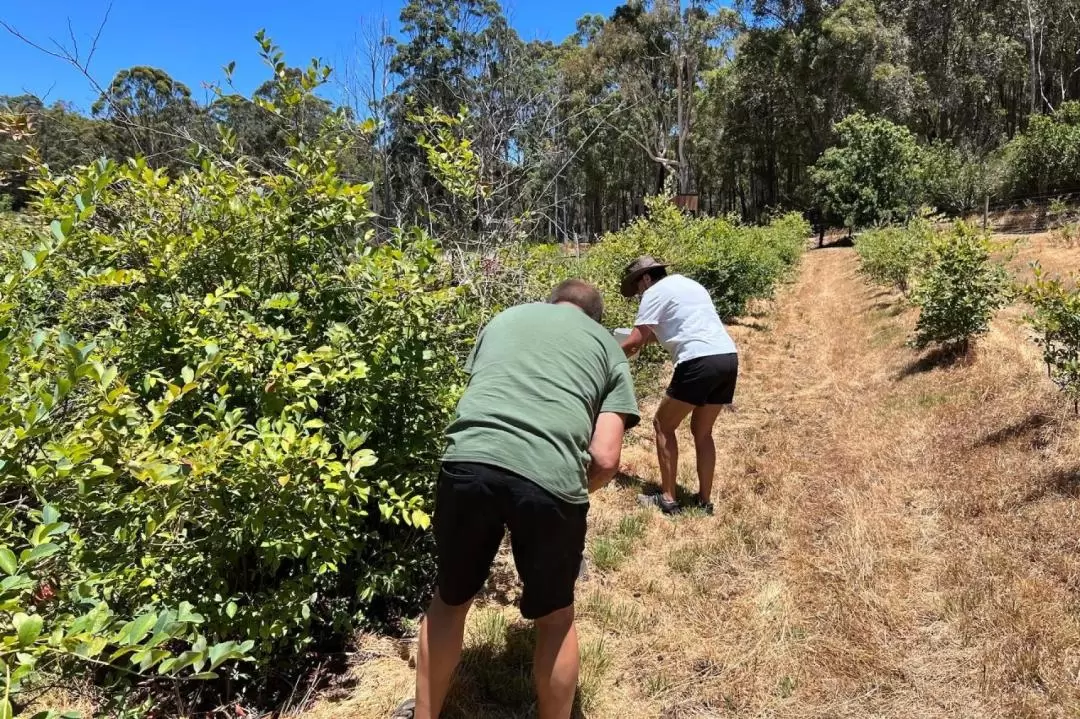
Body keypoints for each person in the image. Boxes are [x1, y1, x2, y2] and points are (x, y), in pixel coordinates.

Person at [395, 279, 640, 719]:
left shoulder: (505, 318)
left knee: (449, 603)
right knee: (556, 619)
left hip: (468, 460)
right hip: (550, 481)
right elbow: (605, 458)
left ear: (553, 303)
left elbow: (487, 387)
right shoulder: (607, 347)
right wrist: (563, 489)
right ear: (597, 318)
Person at [617, 256, 738, 515]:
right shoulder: (690, 285)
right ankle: (704, 501)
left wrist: (607, 355)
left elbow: (636, 342)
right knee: (702, 432)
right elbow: (675, 331)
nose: (639, 293)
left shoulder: (654, 293)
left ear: (646, 278)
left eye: (637, 287)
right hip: (727, 358)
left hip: (697, 361)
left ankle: (668, 499)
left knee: (663, 424)